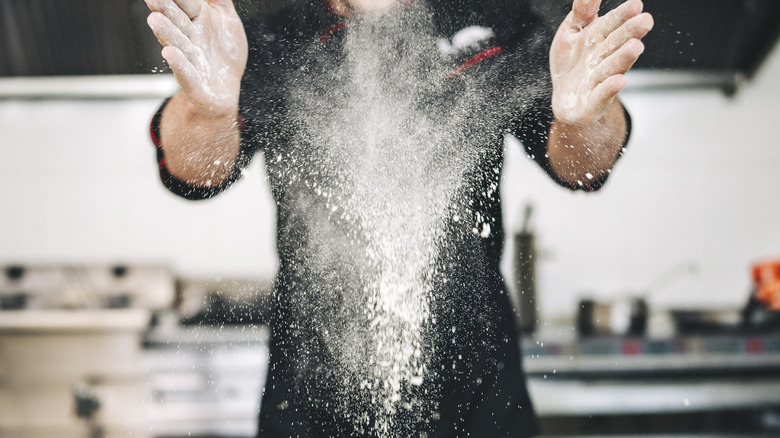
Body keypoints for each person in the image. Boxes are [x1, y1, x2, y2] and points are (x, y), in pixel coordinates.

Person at [144, 0, 653, 436]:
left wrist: (587, 118)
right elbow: (196, 174)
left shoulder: (498, 22)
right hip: (310, 401)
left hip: (478, 402)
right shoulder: (268, 37)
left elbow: (581, 166)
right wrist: (206, 112)